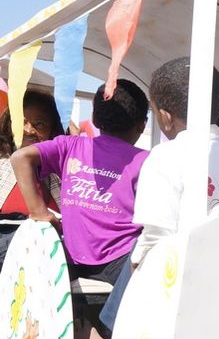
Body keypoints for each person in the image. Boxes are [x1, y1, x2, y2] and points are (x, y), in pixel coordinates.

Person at [97, 57, 219, 337]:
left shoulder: (165, 156)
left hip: (181, 283)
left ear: (165, 117)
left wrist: (135, 273)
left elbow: (156, 235)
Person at [12, 80, 149, 284]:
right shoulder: (147, 161)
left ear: (94, 117)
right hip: (121, 258)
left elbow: (20, 157)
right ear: (142, 124)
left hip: (69, 257)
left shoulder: (71, 146)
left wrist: (38, 211)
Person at [0, 90, 64, 265]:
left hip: (44, 265)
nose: (29, 130)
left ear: (52, 131)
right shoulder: (1, 164)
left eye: (39, 124)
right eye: (23, 122)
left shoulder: (60, 175)